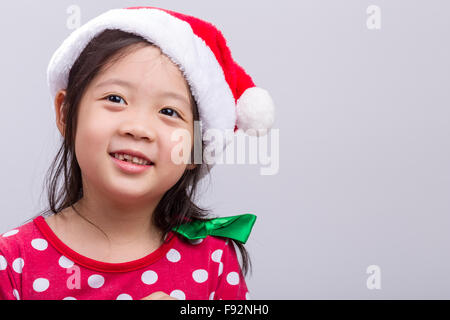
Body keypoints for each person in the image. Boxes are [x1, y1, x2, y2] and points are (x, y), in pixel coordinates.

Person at [0, 6, 275, 300]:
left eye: (169, 111)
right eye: (115, 99)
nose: (138, 128)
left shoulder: (214, 260)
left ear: (197, 148)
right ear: (66, 114)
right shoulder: (13, 262)